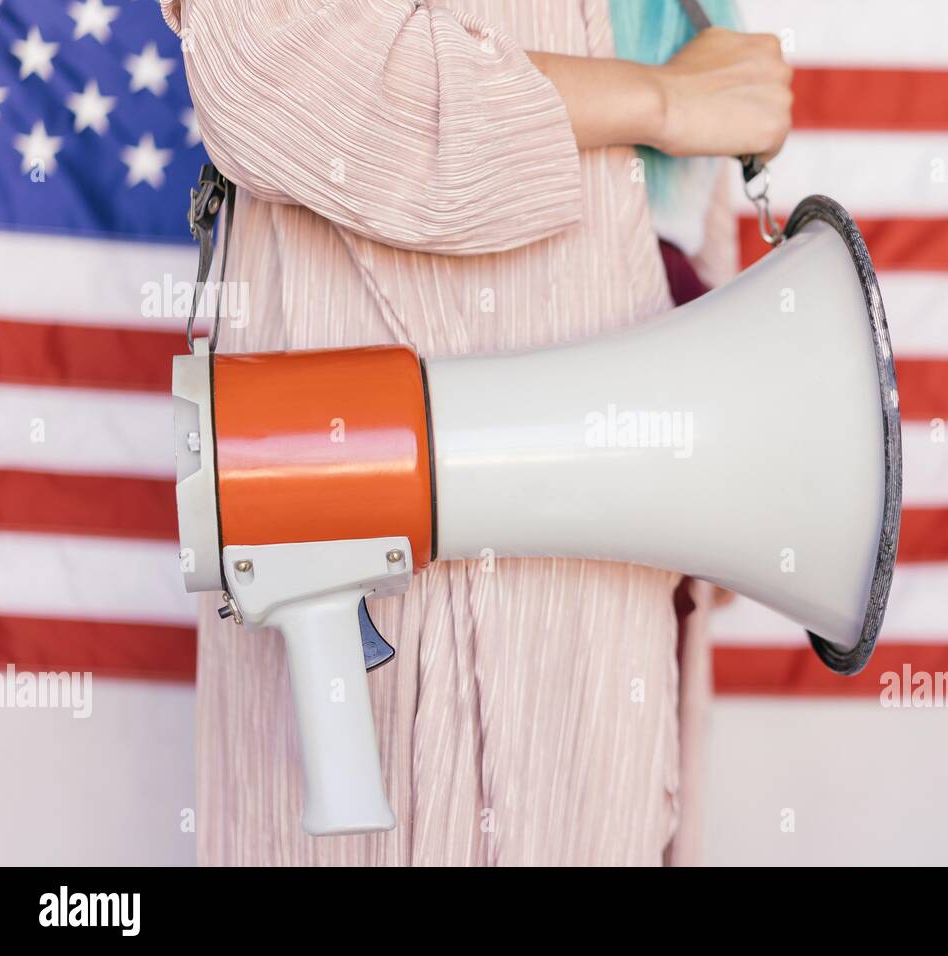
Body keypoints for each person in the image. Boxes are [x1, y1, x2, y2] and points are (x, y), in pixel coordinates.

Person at [162, 0, 791, 866]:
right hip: (410, 558)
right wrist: (662, 99)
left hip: (625, 537)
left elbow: (680, 204)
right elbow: (273, 65)